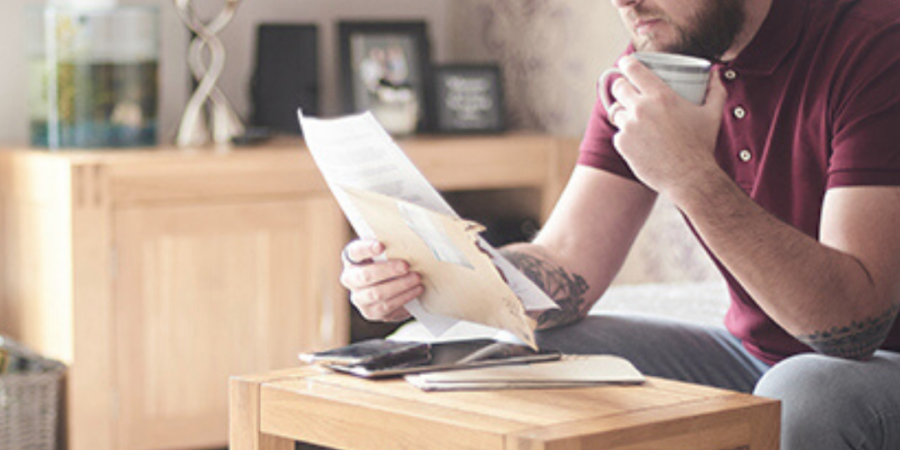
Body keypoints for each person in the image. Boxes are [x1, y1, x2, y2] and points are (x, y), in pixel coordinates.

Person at [340, 0, 900, 448]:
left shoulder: (876, 42)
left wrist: (689, 176)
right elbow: (567, 259)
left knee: (805, 391)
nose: (624, 2)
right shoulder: (654, 63)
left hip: (869, 367)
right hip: (753, 357)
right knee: (473, 350)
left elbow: (851, 327)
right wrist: (434, 276)